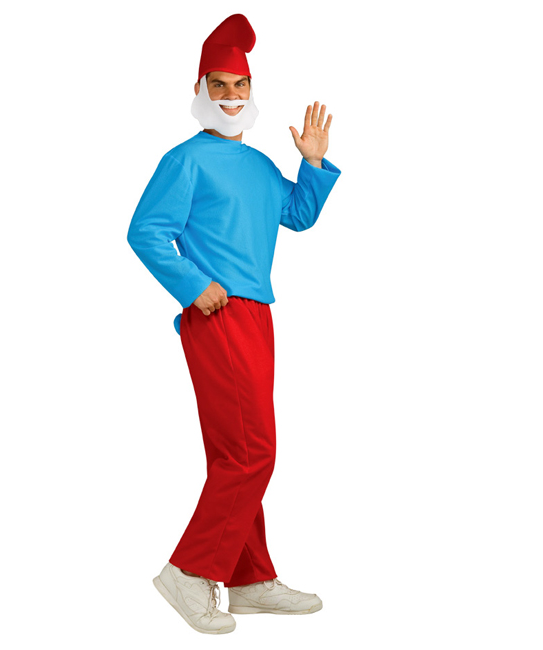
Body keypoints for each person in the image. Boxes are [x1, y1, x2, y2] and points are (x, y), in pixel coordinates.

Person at [127, 14, 341, 635]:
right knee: (253, 451)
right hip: (217, 314)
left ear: (251, 93)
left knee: (236, 451)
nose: (229, 96)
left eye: (239, 85)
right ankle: (189, 571)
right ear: (199, 90)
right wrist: (194, 286)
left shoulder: (259, 166)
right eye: (217, 85)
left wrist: (313, 164)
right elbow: (146, 231)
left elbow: (297, 215)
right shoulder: (185, 160)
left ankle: (248, 580)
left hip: (258, 315)